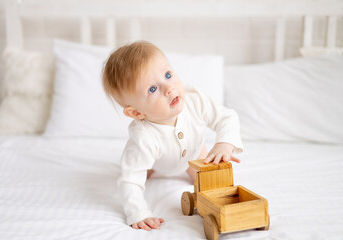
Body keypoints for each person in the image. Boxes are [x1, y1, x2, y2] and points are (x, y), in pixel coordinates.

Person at [102, 41, 243, 231]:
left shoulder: (195, 101)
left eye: (168, 75)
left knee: (212, 186)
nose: (169, 88)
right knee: (139, 168)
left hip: (196, 156)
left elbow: (227, 117)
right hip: (159, 162)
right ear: (136, 113)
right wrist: (138, 213)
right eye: (152, 89)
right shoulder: (143, 138)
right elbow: (130, 179)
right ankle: (149, 169)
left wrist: (224, 144)